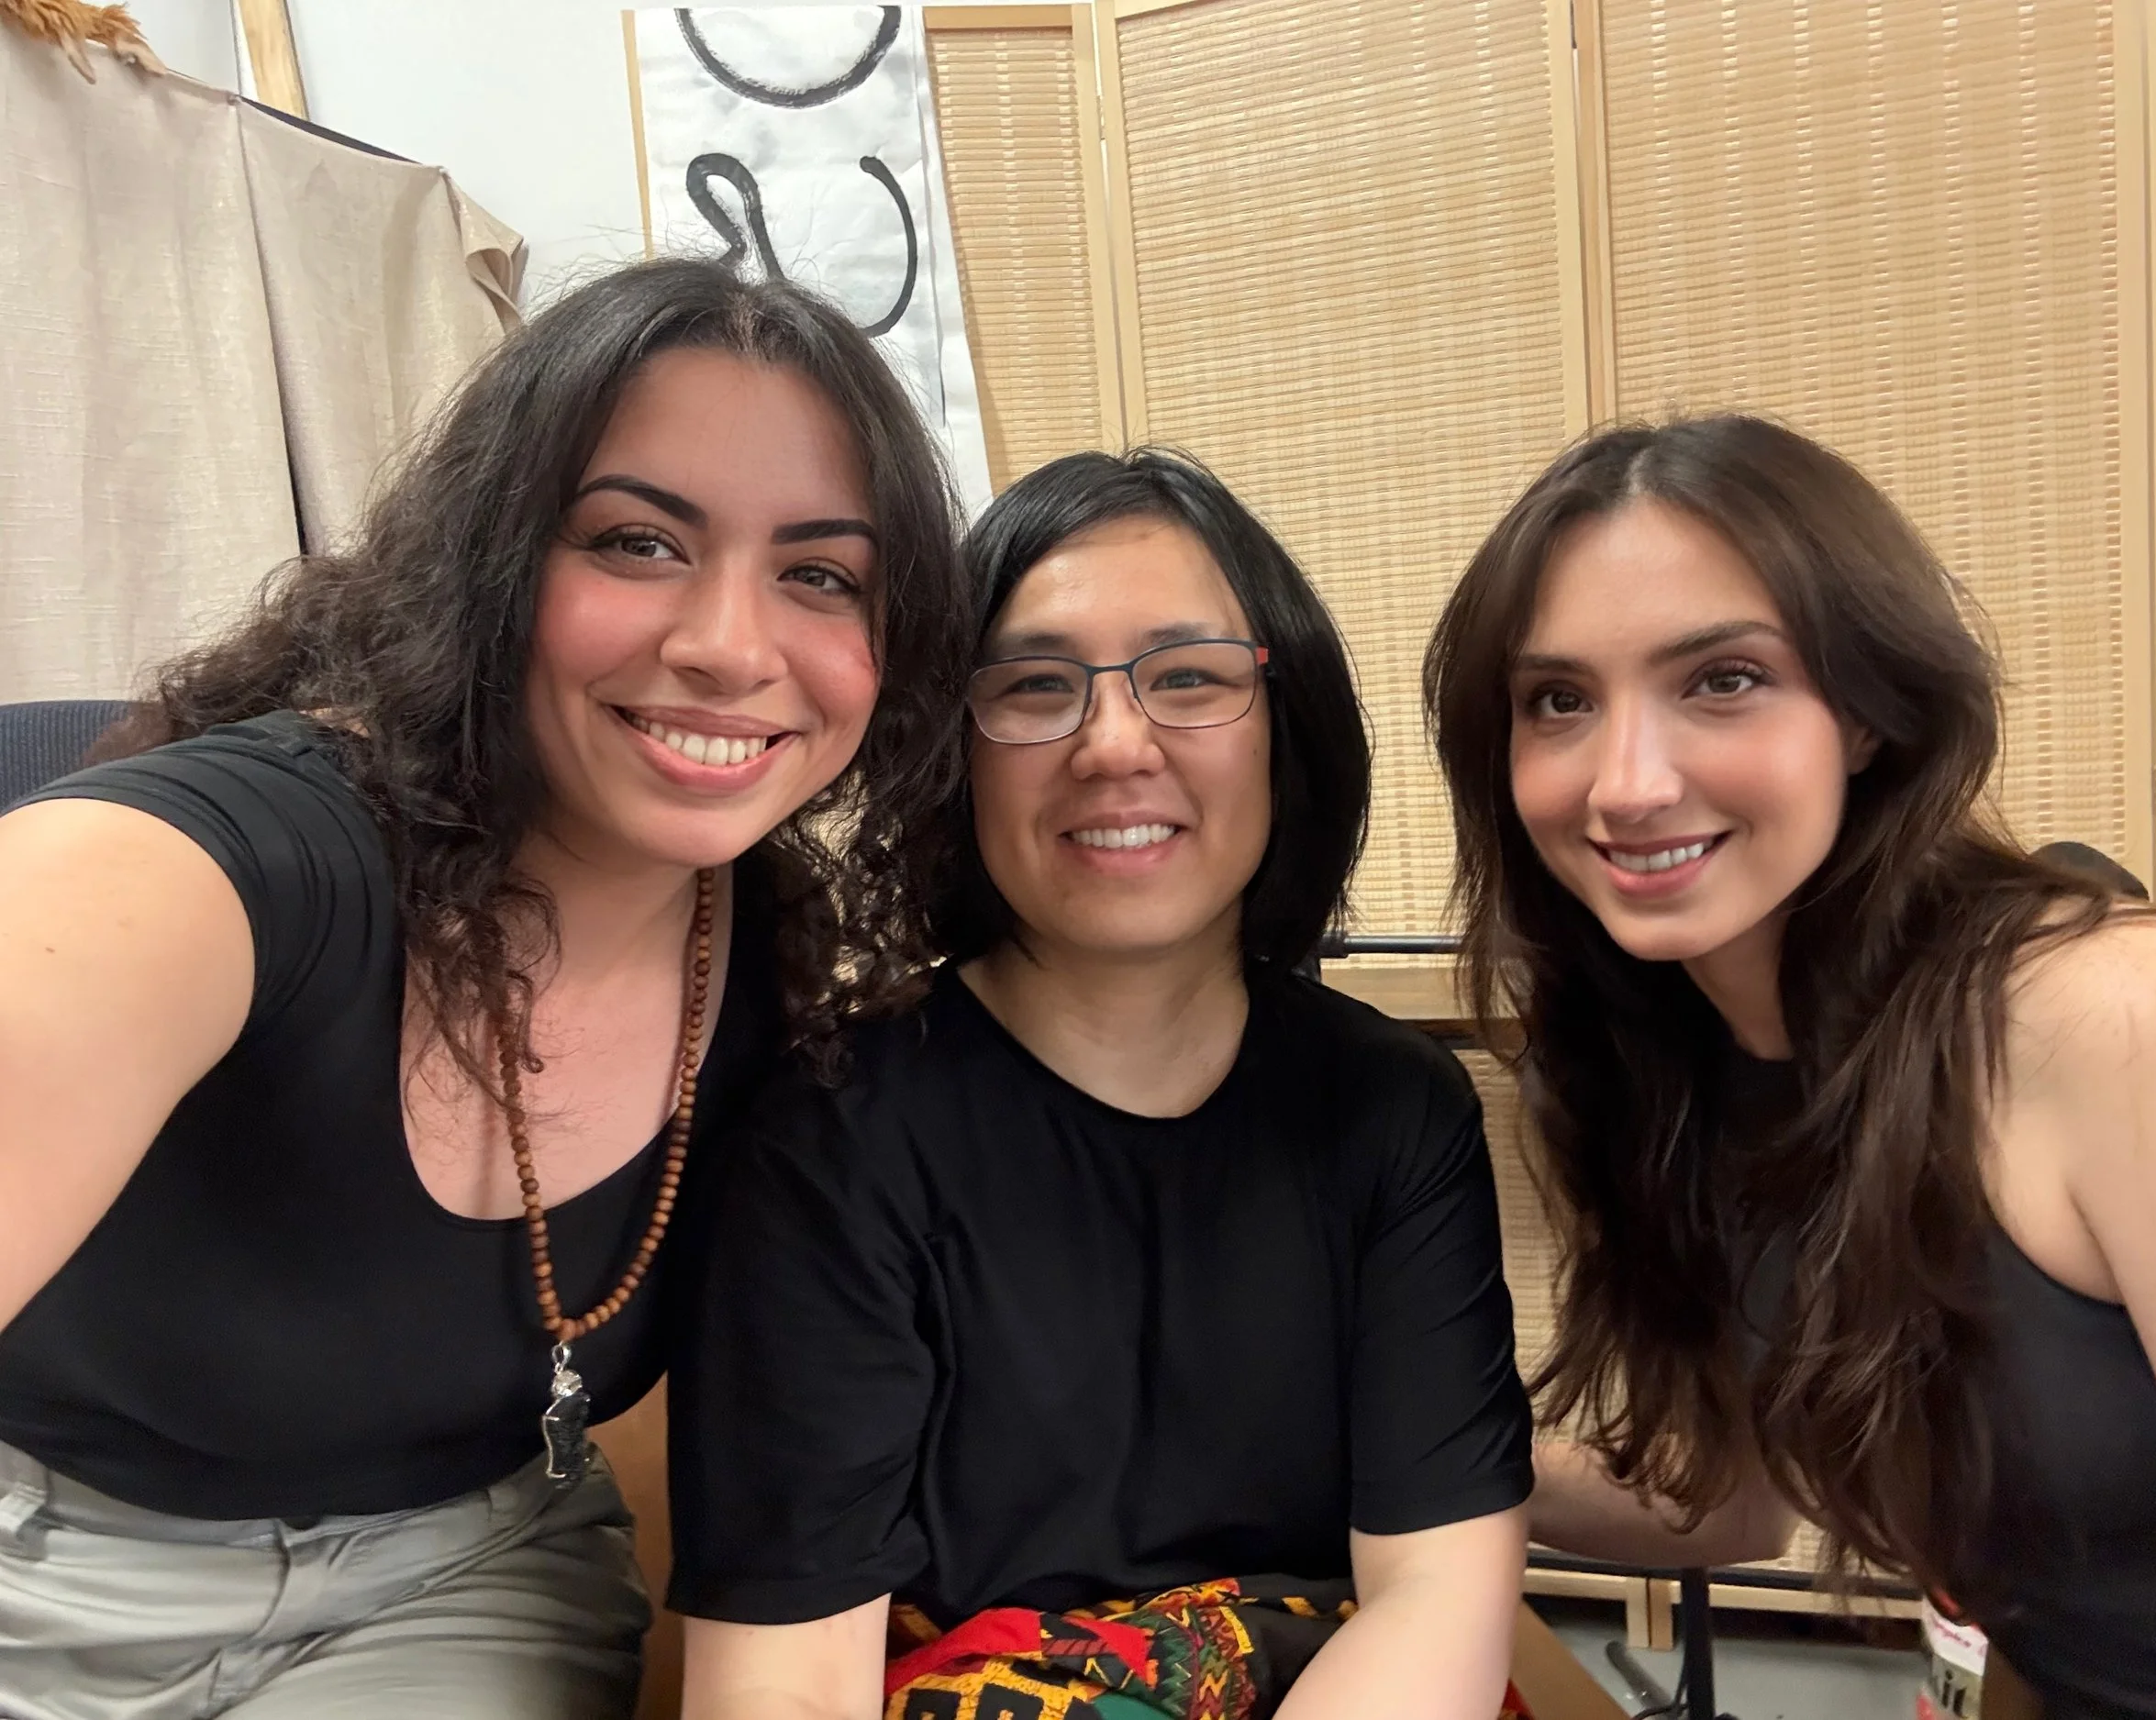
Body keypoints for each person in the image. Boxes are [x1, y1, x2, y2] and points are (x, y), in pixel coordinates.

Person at [0, 260, 967, 1718]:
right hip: (43, 1568)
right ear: (492, 562)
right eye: (639, 542)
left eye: (822, 573)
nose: (727, 644)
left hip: (454, 1585)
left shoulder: (777, 971)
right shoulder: (220, 868)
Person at [1424, 415, 2156, 1720]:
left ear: (1870, 716)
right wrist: (1411, 1454)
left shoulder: (2128, 1020)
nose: (1628, 780)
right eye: (1559, 700)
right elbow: (1730, 1499)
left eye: (1721, 679)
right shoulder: (1657, 1082)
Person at [669, 449, 1536, 1720]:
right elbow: (781, 1685)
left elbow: (1438, 1593)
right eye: (1033, 686)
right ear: (949, 753)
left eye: (1189, 678)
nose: (1114, 743)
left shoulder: (1392, 1109)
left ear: (1284, 727)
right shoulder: (831, 1135)